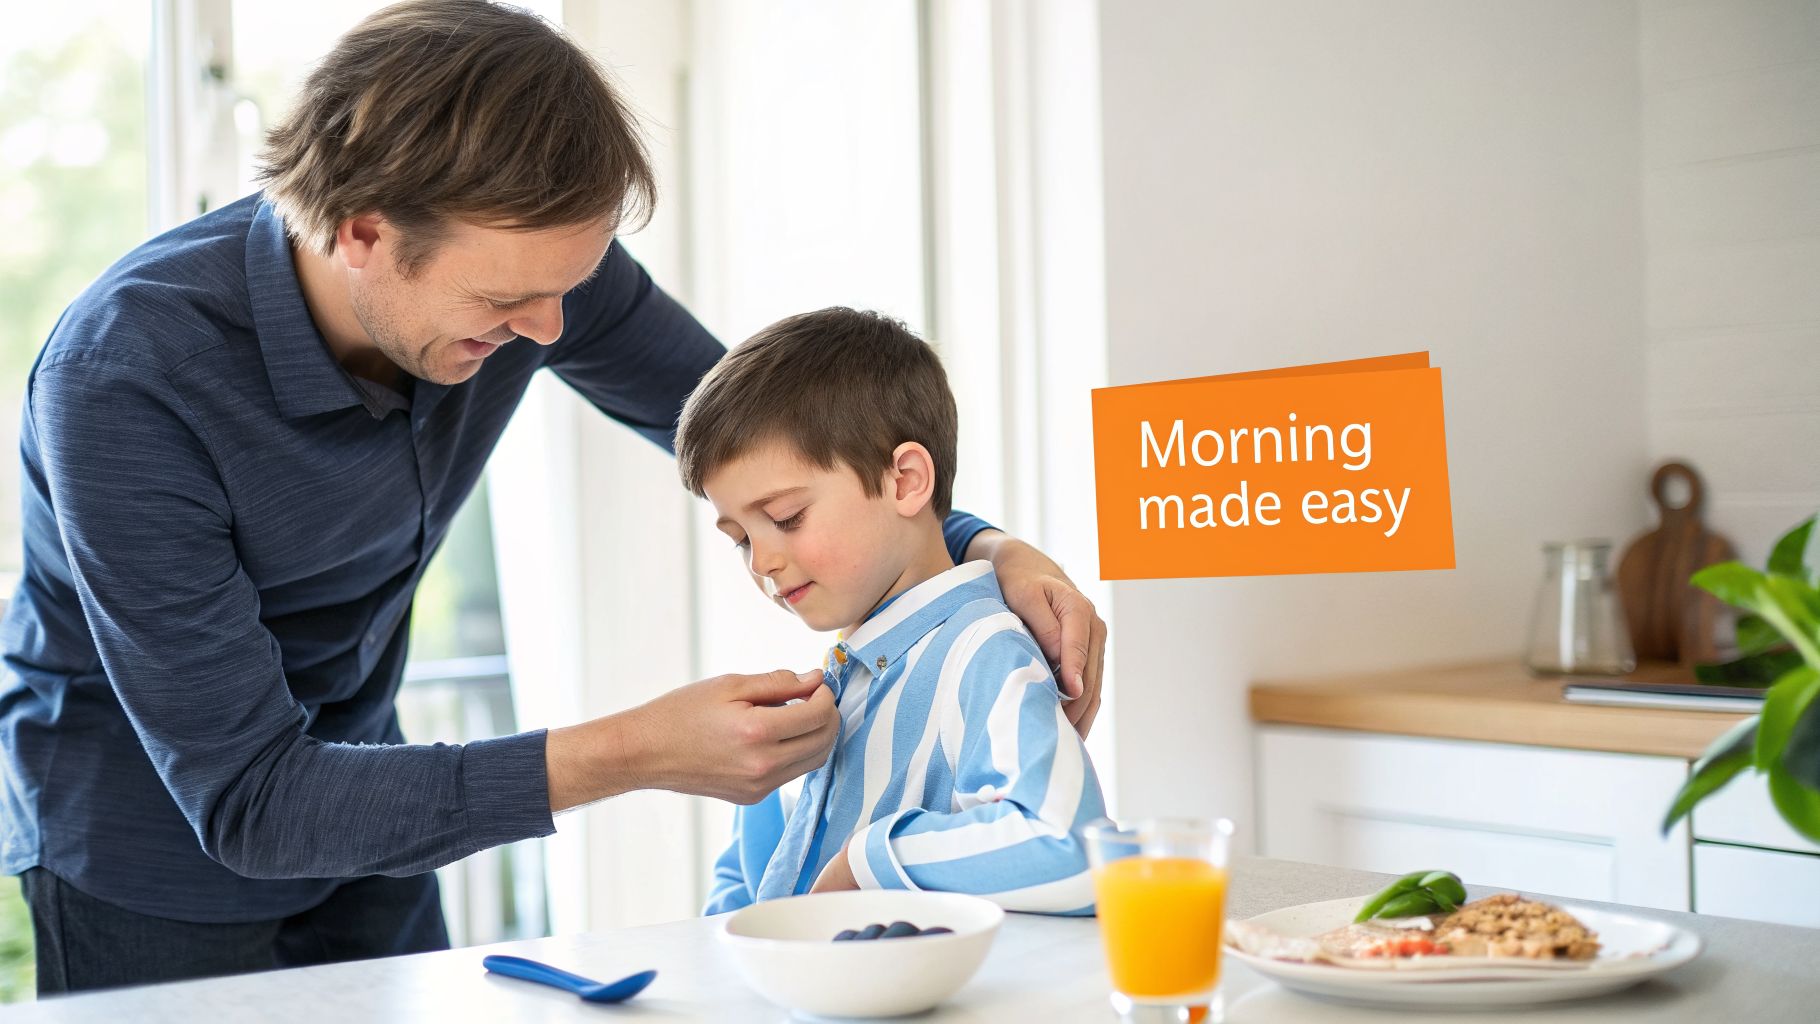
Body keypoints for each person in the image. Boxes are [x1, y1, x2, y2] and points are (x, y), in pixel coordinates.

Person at [0, 0, 1105, 994]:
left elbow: (786, 442)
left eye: (566, 292)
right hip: (149, 844)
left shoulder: (535, 275)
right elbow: (252, 798)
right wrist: (633, 750)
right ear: (364, 232)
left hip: (370, 805)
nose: (548, 334)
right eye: (508, 300)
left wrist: (977, 544)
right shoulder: (125, 377)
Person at [678, 308, 1107, 916]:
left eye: (785, 519)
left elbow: (1073, 850)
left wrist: (869, 859)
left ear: (906, 480)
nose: (762, 562)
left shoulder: (978, 649)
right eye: (741, 538)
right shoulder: (840, 678)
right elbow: (749, 892)